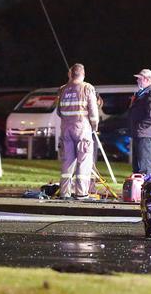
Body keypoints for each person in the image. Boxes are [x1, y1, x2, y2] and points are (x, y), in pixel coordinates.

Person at [56, 63, 99, 200]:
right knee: (84, 160)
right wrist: (94, 126)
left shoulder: (62, 89)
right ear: (83, 74)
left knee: (67, 161)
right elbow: (93, 112)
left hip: (66, 130)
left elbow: (59, 111)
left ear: (70, 74)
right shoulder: (87, 88)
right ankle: (81, 193)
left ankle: (65, 192)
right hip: (83, 130)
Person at [129, 69, 151, 174]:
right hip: (139, 133)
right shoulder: (141, 93)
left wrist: (139, 127)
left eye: (139, 78)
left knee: (144, 166)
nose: (137, 80)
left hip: (145, 134)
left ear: (147, 79)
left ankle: (148, 188)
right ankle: (138, 189)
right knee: (137, 166)